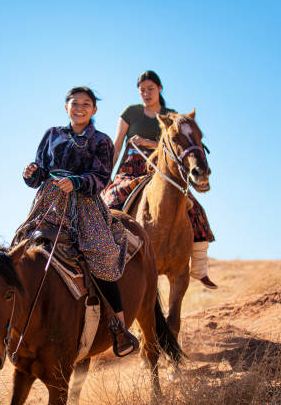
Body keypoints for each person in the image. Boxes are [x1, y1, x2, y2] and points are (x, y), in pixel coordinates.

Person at [22, 86, 139, 356]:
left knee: (103, 254)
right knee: (20, 251)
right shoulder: (52, 134)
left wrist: (76, 182)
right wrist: (32, 173)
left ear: (94, 110)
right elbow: (40, 172)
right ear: (66, 107)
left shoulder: (101, 141)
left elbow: (101, 178)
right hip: (48, 203)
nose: (80, 108)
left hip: (84, 205)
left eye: (86, 104)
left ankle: (120, 329)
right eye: (75, 103)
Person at [101, 71, 218, 289]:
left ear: (160, 89)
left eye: (150, 89)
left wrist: (147, 141)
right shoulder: (131, 112)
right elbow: (117, 145)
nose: (146, 93)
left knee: (197, 211)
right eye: (142, 90)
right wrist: (105, 175)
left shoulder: (172, 116)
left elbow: (178, 146)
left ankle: (200, 269)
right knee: (109, 203)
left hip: (163, 172)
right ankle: (107, 261)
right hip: (131, 169)